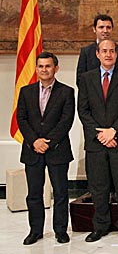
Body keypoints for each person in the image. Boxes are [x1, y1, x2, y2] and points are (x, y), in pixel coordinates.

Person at [77, 39, 118, 242]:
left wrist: (113, 131)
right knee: (99, 186)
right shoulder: (86, 78)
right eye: (105, 51)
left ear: (117, 54)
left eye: (112, 51)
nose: (109, 54)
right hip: (96, 142)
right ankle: (100, 226)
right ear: (97, 54)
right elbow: (83, 111)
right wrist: (101, 134)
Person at [17, 52, 74, 245]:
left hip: (57, 150)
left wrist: (48, 142)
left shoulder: (67, 92)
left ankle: (60, 230)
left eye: (48, 66)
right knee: (34, 193)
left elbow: (66, 120)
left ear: (55, 68)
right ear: (36, 68)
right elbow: (21, 119)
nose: (44, 70)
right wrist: (35, 141)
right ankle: (35, 230)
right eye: (40, 66)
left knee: (60, 193)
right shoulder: (26, 91)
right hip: (32, 150)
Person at [76, 14, 118, 86]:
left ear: (112, 29)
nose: (105, 31)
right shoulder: (86, 52)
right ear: (94, 29)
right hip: (93, 95)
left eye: (108, 27)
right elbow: (80, 80)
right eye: (101, 27)